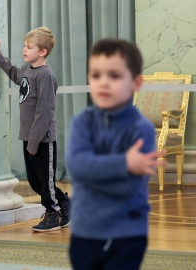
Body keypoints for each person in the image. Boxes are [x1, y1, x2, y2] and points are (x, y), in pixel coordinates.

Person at [66, 39, 163, 270]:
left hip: (128, 234)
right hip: (85, 233)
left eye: (114, 76)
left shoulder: (142, 129)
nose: (104, 83)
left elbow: (128, 188)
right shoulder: (82, 122)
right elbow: (76, 166)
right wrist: (125, 163)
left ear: (136, 82)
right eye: (96, 75)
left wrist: (90, 175)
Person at [0, 27, 71, 232]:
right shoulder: (27, 70)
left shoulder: (45, 76)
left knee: (46, 181)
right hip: (29, 137)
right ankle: (66, 203)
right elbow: (14, 73)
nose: (24, 49)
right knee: (36, 182)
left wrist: (34, 142)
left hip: (43, 140)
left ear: (42, 52)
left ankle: (52, 214)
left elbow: (44, 113)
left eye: (29, 47)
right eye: (24, 46)